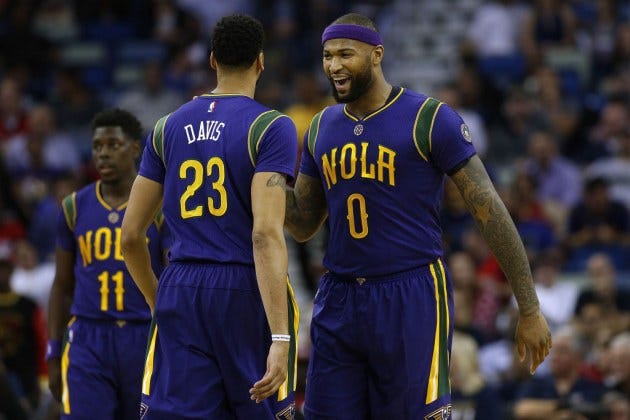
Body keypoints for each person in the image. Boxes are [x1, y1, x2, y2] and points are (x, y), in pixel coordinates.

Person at [284, 13, 552, 418]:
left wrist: (528, 308)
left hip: (409, 292)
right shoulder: (321, 126)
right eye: (327, 56)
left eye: (345, 54)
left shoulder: (429, 118)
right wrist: (264, 179)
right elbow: (304, 224)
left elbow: (490, 211)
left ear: (376, 55)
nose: (334, 65)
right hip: (339, 295)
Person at [121, 14, 299, 419]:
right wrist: (281, 336)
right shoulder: (271, 127)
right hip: (244, 287)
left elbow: (130, 235)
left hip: (180, 285)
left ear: (213, 59)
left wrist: (158, 300)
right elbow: (264, 235)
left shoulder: (166, 127)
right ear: (260, 61)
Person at [47, 108, 169, 419]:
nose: (103, 154)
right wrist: (53, 352)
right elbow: (61, 286)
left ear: (135, 148)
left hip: (143, 335)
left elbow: (172, 280)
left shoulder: (159, 207)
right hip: (88, 337)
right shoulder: (74, 207)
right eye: (97, 146)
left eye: (113, 145)